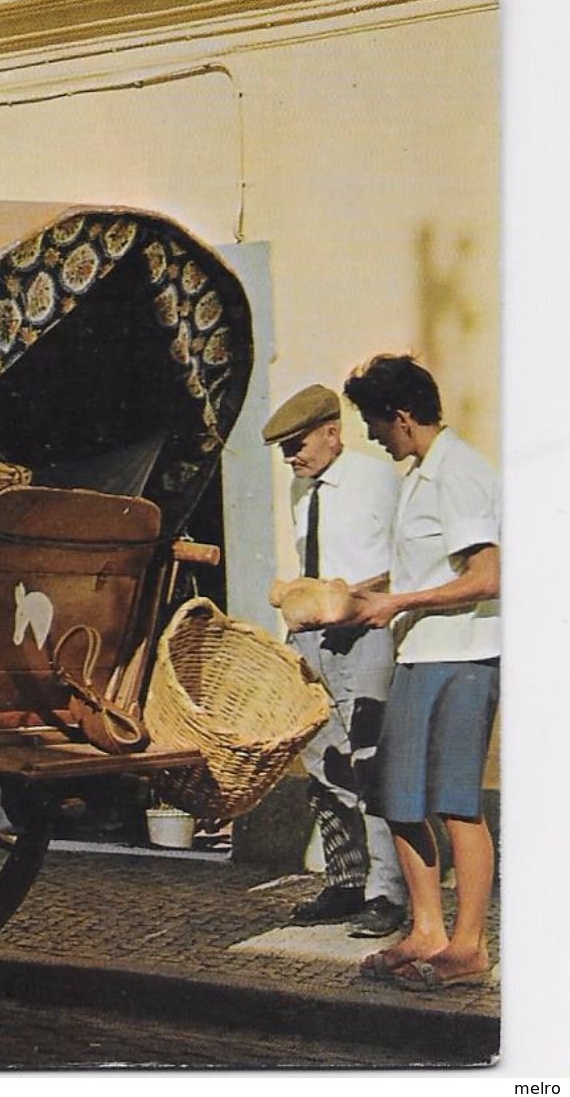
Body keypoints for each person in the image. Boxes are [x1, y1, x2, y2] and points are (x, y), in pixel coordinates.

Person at [343, 355, 500, 991]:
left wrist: (396, 604)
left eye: (377, 423)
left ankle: (468, 948)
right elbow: (428, 569)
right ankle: (428, 931)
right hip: (420, 651)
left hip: (462, 654)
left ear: (404, 418)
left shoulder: (459, 473)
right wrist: (358, 593)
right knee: (398, 797)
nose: (373, 436)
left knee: (457, 802)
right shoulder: (419, 473)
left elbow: (488, 576)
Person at [262, 384, 407, 937]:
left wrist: (348, 599)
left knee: (370, 763)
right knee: (323, 762)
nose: (291, 458)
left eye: (298, 445)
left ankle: (386, 894)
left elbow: (404, 563)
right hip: (312, 640)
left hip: (364, 634)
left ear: (332, 432)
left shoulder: (375, 478)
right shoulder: (302, 491)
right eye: (283, 451)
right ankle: (346, 881)